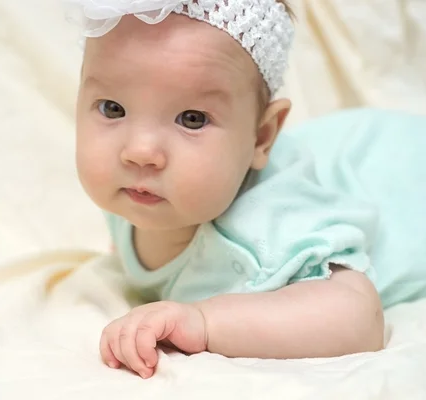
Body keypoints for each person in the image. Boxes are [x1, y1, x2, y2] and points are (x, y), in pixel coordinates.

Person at [64, 0, 426, 379]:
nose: (140, 152)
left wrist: (204, 321)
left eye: (192, 119)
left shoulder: (271, 225)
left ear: (262, 137)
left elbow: (359, 317)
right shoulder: (136, 191)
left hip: (406, 171)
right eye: (112, 109)